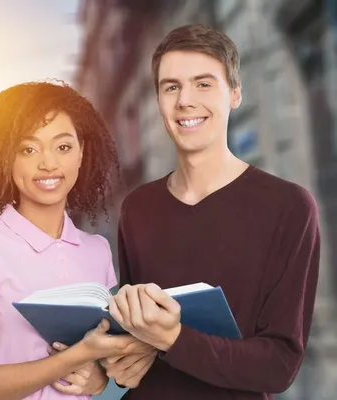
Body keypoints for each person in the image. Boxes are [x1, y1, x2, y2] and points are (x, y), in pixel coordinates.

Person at [101, 24, 321, 400]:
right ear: (158, 100)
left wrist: (173, 338)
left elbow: (280, 365)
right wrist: (119, 363)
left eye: (204, 84)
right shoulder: (137, 209)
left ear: (234, 94)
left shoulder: (289, 207)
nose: (185, 100)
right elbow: (136, 338)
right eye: (171, 87)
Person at [0, 81, 156, 400]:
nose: (49, 163)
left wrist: (99, 376)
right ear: (7, 158)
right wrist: (77, 356)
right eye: (28, 149)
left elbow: (99, 372)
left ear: (82, 152)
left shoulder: (97, 250)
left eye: (63, 147)